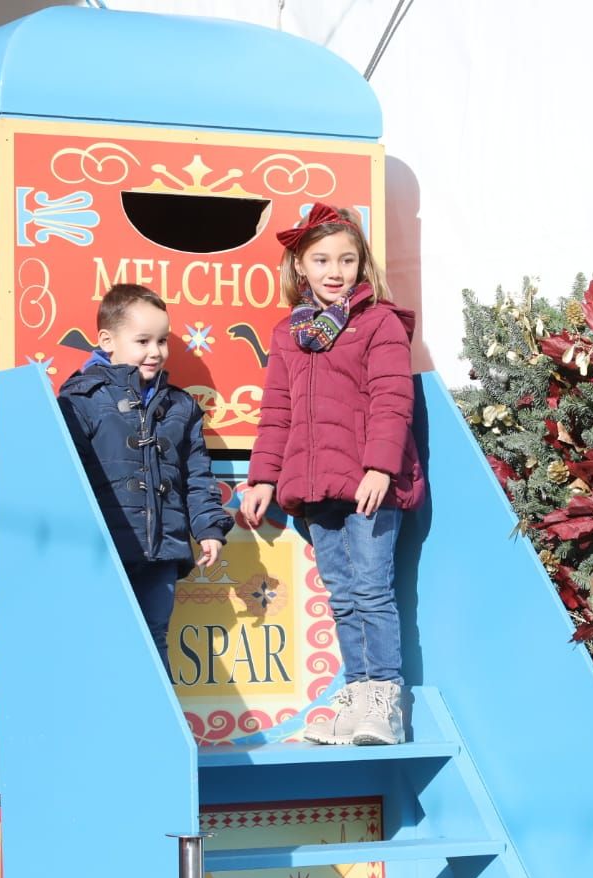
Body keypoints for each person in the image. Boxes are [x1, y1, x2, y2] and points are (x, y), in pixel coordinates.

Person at [237, 203, 425, 746]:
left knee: (371, 590)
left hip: (368, 485)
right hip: (315, 487)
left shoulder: (377, 322)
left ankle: (383, 700)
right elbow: (277, 412)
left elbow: (393, 398)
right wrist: (263, 479)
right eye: (321, 260)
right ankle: (356, 690)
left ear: (362, 264)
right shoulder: (288, 333)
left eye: (346, 259)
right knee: (342, 595)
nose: (334, 270)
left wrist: (380, 468)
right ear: (300, 266)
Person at [58, 283, 233, 675]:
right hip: (107, 552)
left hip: (162, 551)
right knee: (102, 637)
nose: (155, 351)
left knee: (156, 635)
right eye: (142, 341)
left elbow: (197, 474)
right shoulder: (80, 400)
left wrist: (208, 528)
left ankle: (158, 732)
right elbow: (71, 479)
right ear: (107, 340)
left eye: (162, 340)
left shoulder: (180, 405)